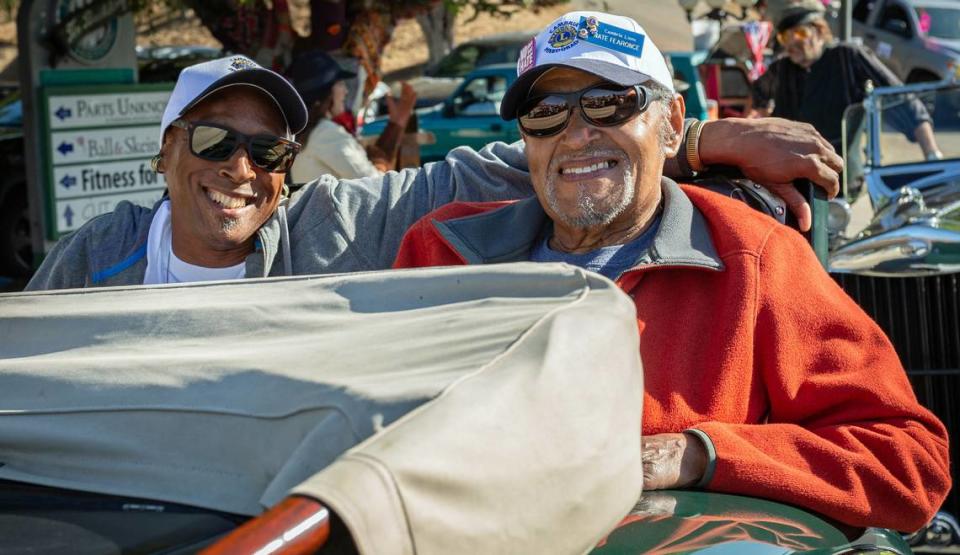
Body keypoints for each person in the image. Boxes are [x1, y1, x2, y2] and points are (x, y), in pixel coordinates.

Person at [392, 10, 951, 532]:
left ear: (672, 123)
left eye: (611, 103)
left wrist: (698, 453)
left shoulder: (754, 259)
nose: (576, 132)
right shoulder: (444, 253)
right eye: (545, 114)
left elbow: (906, 461)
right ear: (527, 140)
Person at [26, 53, 841, 290]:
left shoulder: (325, 227)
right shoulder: (95, 259)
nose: (241, 168)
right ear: (166, 149)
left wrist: (692, 137)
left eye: (270, 149)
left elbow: (499, 170)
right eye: (213, 142)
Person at [752, 0, 943, 161]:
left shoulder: (847, 56)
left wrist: (932, 153)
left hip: (839, 174)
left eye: (800, 33)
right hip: (792, 171)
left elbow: (900, 98)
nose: (793, 42)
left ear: (819, 31)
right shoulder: (782, 68)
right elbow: (758, 94)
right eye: (785, 37)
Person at [286, 50, 418, 180]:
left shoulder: (313, 133)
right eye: (340, 84)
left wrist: (396, 124)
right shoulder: (326, 133)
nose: (346, 90)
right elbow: (375, 184)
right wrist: (380, 161)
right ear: (326, 93)